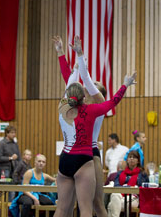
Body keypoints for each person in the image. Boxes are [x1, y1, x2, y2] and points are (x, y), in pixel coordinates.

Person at [53, 68, 136, 217]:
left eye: (94, 84)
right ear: (83, 95)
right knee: (85, 208)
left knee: (63, 208)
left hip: (66, 157)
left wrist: (71, 62)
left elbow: (69, 85)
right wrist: (125, 85)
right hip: (85, 158)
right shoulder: (93, 110)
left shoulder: (63, 109)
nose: (89, 84)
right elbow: (114, 101)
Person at [53, 34, 108, 217]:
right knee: (66, 207)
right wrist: (62, 53)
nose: (86, 87)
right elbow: (69, 82)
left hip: (90, 154)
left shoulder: (97, 107)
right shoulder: (79, 107)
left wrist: (79, 56)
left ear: (94, 93)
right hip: (76, 153)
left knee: (97, 205)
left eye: (91, 86)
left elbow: (79, 81)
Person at [107, 151, 148, 217]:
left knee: (111, 205)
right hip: (120, 195)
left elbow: (145, 189)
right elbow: (116, 186)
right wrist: (130, 187)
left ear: (138, 161)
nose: (131, 159)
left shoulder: (142, 174)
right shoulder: (120, 173)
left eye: (134, 157)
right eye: (130, 157)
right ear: (127, 160)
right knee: (114, 194)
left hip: (134, 197)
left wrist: (125, 187)